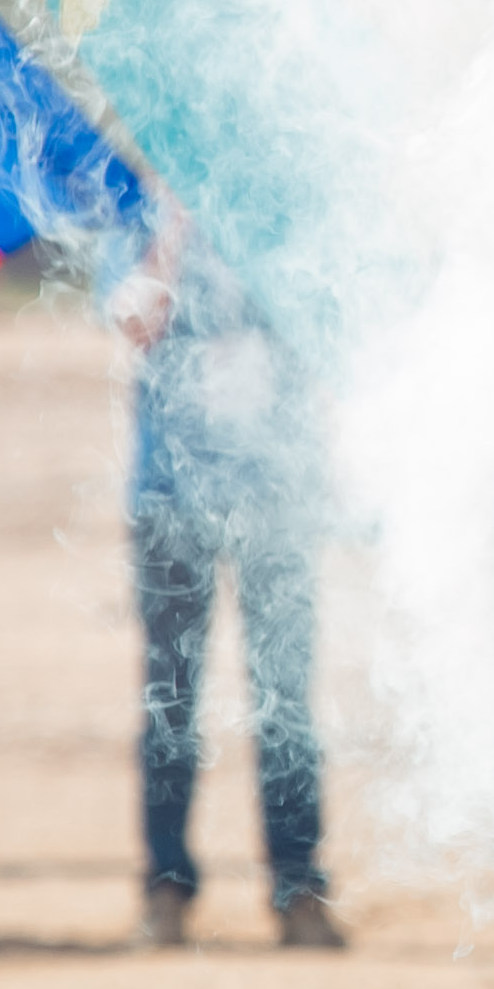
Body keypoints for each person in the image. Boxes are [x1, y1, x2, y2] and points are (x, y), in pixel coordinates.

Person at [121, 203, 339, 950]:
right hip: (170, 498)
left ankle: (298, 886)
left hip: (275, 492)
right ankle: (166, 887)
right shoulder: (139, 216)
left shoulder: (275, 209)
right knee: (169, 700)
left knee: (284, 699)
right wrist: (173, 239)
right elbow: (133, 322)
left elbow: (326, 326)